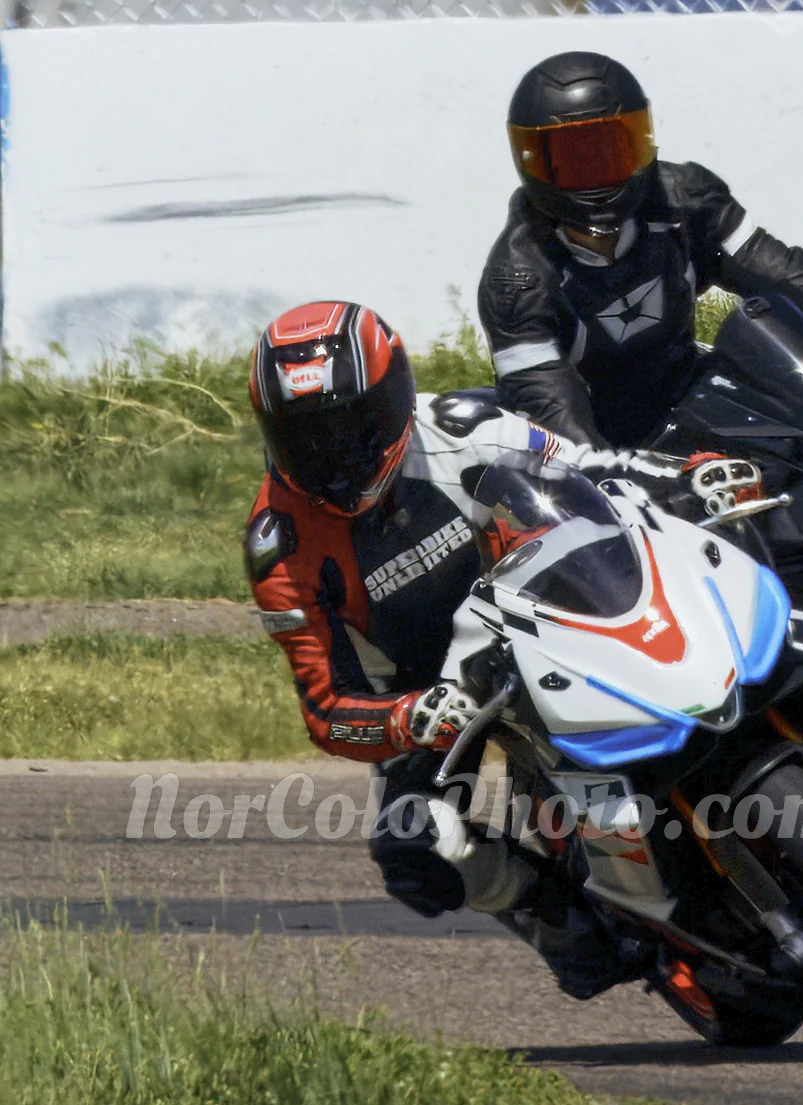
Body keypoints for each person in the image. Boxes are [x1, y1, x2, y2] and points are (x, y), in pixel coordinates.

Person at [245, 299, 760, 1000]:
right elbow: (325, 706)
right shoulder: (280, 546)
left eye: (351, 426)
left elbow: (588, 468)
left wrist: (677, 475)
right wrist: (406, 718)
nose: (335, 458)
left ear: (394, 397)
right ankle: (559, 920)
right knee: (413, 846)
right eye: (305, 439)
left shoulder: (463, 425)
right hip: (428, 689)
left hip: (545, 604)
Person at [478, 51, 803, 449]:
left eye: (610, 151)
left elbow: (784, 273)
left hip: (686, 399)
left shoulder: (688, 199)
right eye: (574, 160)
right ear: (533, 163)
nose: (597, 172)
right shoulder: (517, 282)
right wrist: (612, 473)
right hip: (597, 442)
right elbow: (550, 409)